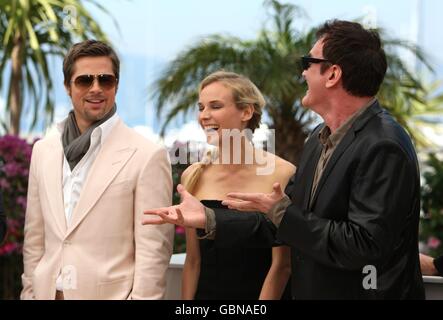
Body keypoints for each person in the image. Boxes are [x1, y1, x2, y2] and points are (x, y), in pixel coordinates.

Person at [143, 20, 425, 299]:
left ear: (332, 74)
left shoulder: (383, 144)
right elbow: (279, 223)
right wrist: (211, 218)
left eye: (308, 62)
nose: (303, 73)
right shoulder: (318, 138)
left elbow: (363, 245)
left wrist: (281, 212)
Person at [21, 40, 174, 300]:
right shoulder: (44, 150)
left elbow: (154, 249)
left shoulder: (147, 154)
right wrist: (29, 294)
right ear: (67, 87)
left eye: (106, 80)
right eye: (84, 81)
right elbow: (35, 238)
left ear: (116, 85)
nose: (96, 88)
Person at [179, 71, 295, 300]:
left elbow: (282, 266)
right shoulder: (192, 176)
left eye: (215, 106)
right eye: (201, 107)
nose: (204, 115)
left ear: (246, 111)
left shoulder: (283, 173)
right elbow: (193, 261)